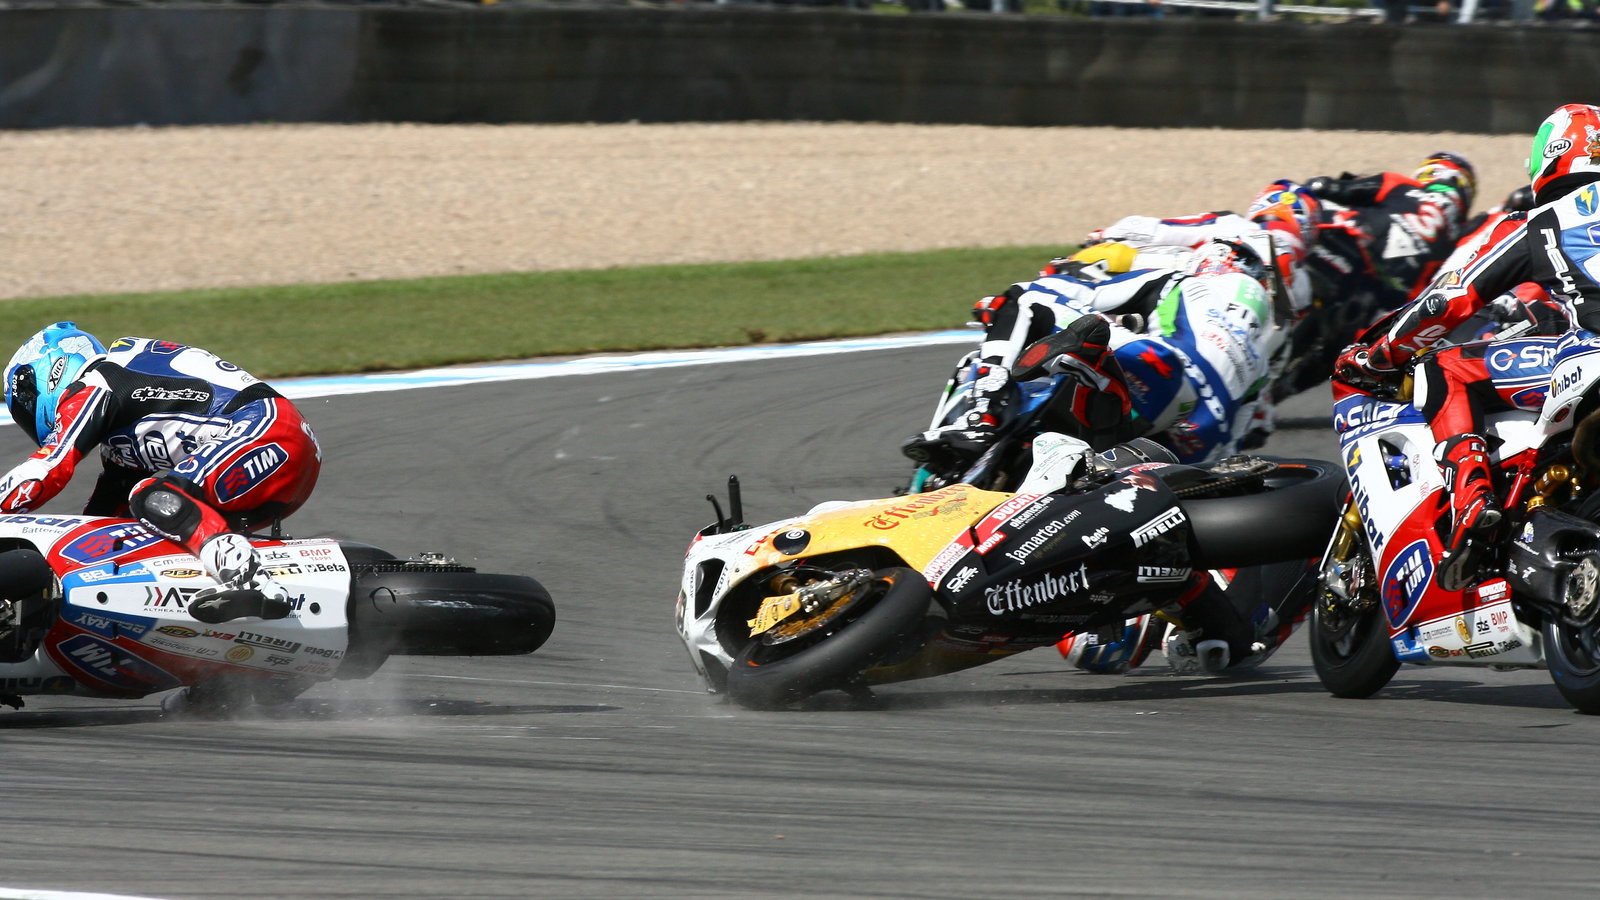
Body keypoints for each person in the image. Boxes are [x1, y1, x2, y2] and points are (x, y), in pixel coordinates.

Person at [1335, 104, 1600, 589]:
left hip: (1590, 353)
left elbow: (1448, 301)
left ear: (1553, 155)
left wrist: (1382, 354)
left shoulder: (1540, 222)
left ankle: (1473, 503)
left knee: (1447, 369)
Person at [902, 183, 1318, 471]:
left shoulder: (1209, 258)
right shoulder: (1279, 328)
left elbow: (1143, 233)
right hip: (1202, 434)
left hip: (1163, 371)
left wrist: (1094, 248)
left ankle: (981, 418)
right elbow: (1257, 420)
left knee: (1025, 299)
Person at [0, 323, 322, 623]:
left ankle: (248, 578)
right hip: (284, 448)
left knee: (152, 495)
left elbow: (51, 465)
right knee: (146, 515)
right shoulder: (123, 431)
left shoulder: (97, 382)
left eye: (27, 400)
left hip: (266, 432)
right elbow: (99, 525)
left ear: (50, 373)